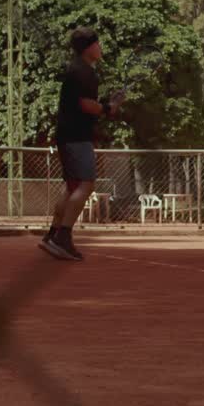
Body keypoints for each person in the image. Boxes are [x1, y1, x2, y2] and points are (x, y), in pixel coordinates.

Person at [40, 27, 122, 261]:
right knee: (85, 186)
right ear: (89, 47)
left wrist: (107, 105)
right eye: (97, 43)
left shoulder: (76, 70)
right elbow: (86, 105)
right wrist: (108, 108)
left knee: (71, 186)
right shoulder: (85, 72)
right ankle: (62, 238)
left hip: (68, 135)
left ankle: (53, 235)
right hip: (77, 137)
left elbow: (84, 104)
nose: (101, 47)